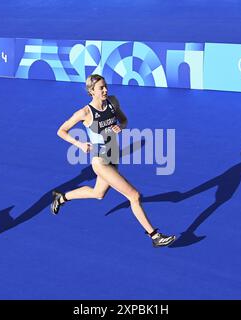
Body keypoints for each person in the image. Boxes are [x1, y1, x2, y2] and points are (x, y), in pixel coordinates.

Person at [51, 74, 176, 247]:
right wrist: (79, 144)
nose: (105, 90)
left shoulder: (112, 102)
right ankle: (154, 236)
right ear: (91, 91)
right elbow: (61, 131)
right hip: (100, 161)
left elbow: (124, 120)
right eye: (100, 88)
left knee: (98, 194)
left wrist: (121, 126)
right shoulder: (85, 113)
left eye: (105, 86)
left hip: (114, 156)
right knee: (134, 195)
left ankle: (61, 198)